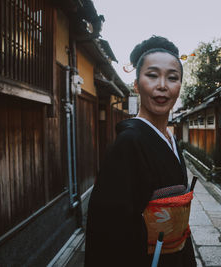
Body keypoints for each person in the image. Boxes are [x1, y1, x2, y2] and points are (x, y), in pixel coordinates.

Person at [84, 36, 197, 267]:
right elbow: (108, 232)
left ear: (179, 86)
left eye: (172, 78)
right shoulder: (128, 144)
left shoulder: (170, 140)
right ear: (136, 84)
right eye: (152, 75)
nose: (162, 85)